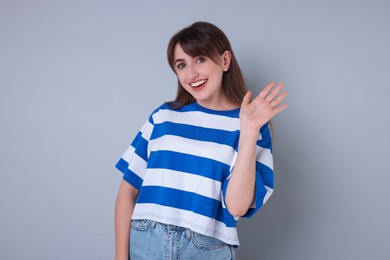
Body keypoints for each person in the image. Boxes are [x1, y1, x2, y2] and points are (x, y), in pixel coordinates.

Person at [114, 21, 288, 260]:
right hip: (145, 243)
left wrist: (248, 131)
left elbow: (237, 207)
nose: (191, 74)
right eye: (181, 65)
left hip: (205, 248)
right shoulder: (163, 117)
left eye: (200, 60)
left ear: (225, 61)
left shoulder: (251, 124)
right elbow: (128, 191)